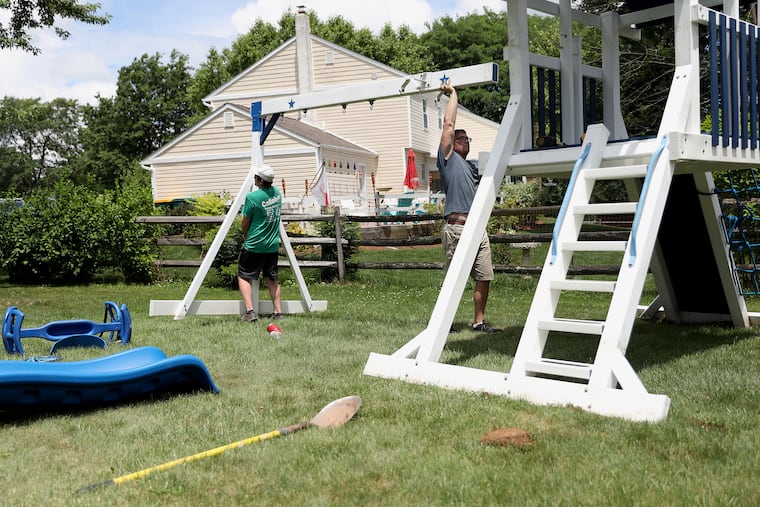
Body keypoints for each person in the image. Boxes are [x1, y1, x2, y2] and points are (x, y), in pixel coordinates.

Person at [437, 79, 498, 333]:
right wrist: (453, 94)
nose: (462, 140)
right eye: (458, 138)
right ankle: (443, 323)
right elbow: (448, 125)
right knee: (453, 280)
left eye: (466, 138)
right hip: (458, 228)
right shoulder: (447, 159)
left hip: (478, 230)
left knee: (484, 276)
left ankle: (478, 321)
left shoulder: (474, 167)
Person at [238, 164, 283, 322]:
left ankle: (250, 312)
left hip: (255, 244)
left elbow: (245, 222)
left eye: (256, 177)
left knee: (244, 276)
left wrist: (246, 237)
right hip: (271, 245)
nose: (254, 179)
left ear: (261, 181)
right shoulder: (277, 193)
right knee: (272, 278)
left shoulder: (252, 197)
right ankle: (278, 312)